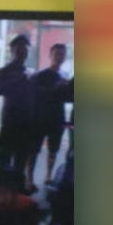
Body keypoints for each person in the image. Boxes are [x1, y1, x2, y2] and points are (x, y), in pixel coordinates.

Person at [0, 34, 37, 188]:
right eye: (19, 49)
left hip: (27, 124)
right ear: (12, 51)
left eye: (25, 49)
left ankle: (17, 193)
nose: (23, 52)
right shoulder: (4, 71)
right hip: (10, 123)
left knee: (21, 162)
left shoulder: (30, 72)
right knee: (4, 161)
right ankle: (0, 193)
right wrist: (16, 79)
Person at [30, 42, 73, 182]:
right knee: (34, 150)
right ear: (50, 55)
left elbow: (68, 98)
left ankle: (48, 176)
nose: (60, 57)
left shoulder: (64, 77)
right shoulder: (40, 76)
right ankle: (29, 179)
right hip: (40, 118)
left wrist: (69, 88)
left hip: (57, 118)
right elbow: (37, 95)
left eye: (62, 54)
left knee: (53, 150)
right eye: (57, 53)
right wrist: (58, 87)